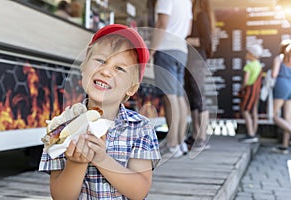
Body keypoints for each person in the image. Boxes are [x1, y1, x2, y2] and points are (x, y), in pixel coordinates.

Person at [39, 24, 161, 199]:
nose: (105, 71)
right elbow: (60, 196)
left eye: (119, 68)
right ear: (84, 68)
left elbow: (139, 191)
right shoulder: (60, 127)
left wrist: (101, 159)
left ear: (132, 88)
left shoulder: (140, 128)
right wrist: (76, 164)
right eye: (101, 61)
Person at [150, 0, 193, 157]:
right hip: (181, 50)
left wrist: (151, 50)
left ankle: (172, 144)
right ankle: (179, 143)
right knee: (179, 97)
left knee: (170, 97)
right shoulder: (187, 2)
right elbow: (188, 29)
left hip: (166, 49)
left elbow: (162, 23)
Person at [184, 0, 215, 151]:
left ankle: (202, 137)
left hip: (197, 59)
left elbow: (206, 41)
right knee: (192, 96)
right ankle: (195, 134)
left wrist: (186, 39)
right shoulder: (193, 17)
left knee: (199, 96)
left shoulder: (202, 16)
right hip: (189, 59)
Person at [239, 44, 263, 143]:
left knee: (245, 111)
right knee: (254, 112)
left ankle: (251, 134)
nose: (246, 54)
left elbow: (246, 81)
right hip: (257, 92)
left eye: (248, 52)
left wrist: (242, 88)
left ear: (252, 54)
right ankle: (254, 132)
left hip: (249, 91)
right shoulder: (259, 65)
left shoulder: (249, 66)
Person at [271, 41, 291, 154]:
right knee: (288, 117)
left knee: (274, 115)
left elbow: (274, 74)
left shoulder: (279, 58)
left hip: (282, 85)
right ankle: (284, 145)